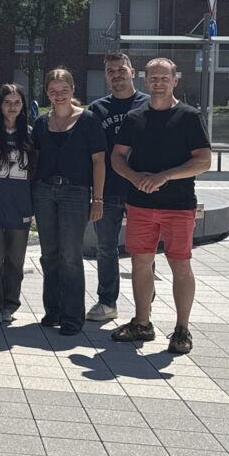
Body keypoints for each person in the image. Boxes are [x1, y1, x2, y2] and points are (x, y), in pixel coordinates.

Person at [110, 58, 210, 355]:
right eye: (153, 78)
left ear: (175, 80)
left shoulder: (189, 117)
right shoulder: (135, 117)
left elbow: (203, 161)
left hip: (178, 205)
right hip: (139, 204)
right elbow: (117, 157)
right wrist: (134, 176)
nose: (158, 82)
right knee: (140, 263)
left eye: (164, 78)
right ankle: (142, 323)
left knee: (180, 265)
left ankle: (181, 329)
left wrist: (165, 176)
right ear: (144, 80)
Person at [31, 68, 106, 335]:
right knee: (49, 254)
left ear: (73, 90)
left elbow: (99, 161)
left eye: (64, 90)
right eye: (53, 91)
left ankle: (73, 316)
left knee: (71, 255)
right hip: (44, 192)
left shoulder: (88, 120)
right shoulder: (41, 123)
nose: (59, 95)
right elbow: (35, 161)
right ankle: (53, 310)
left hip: (75, 193)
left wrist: (97, 198)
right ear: (47, 93)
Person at [86, 52, 149, 322]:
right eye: (111, 71)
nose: (117, 74)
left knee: (143, 250)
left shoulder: (150, 104)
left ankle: (144, 303)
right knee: (106, 248)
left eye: (121, 69)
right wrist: (94, 194)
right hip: (109, 189)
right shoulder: (97, 109)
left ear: (132, 72)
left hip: (143, 190)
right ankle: (107, 301)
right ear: (106, 75)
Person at [0, 84, 35, 324]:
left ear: (23, 106)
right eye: (7, 102)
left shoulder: (31, 134)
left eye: (17, 102)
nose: (12, 107)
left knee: (15, 260)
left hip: (19, 205)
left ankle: (9, 304)